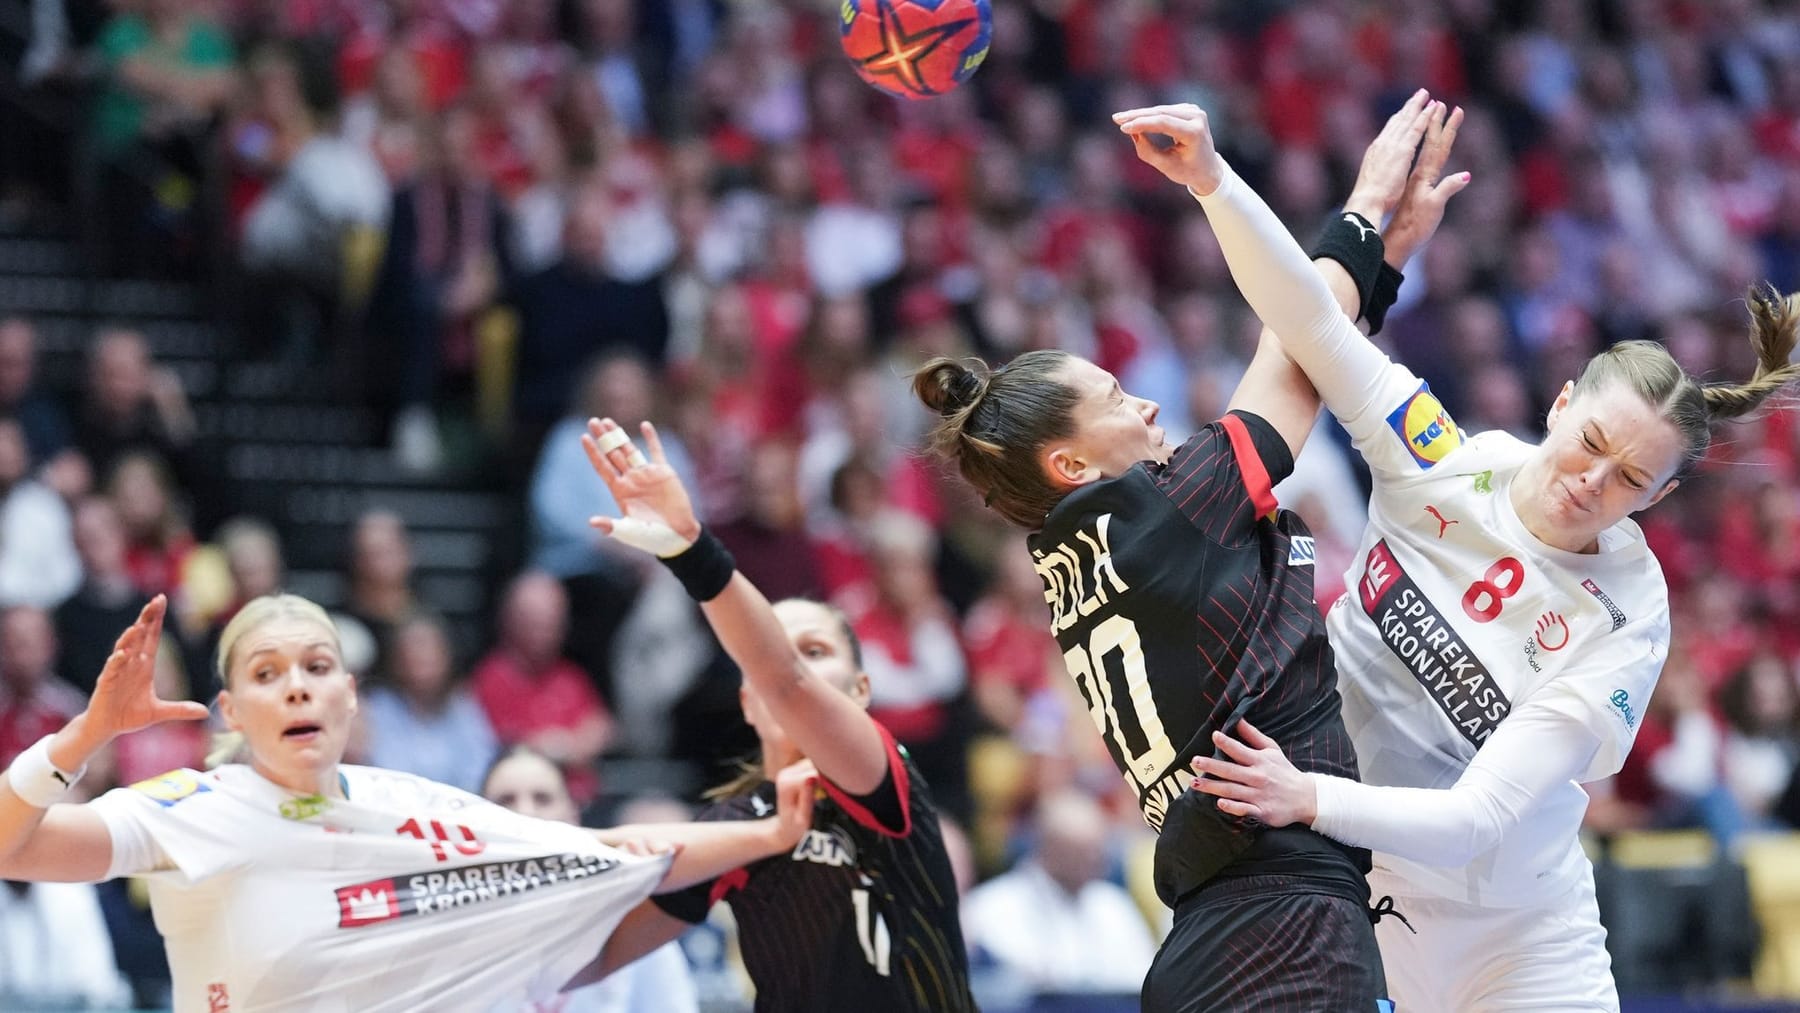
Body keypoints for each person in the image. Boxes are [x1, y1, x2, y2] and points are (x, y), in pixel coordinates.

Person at [1131, 98, 1800, 1011]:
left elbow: (1476, 816)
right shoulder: (1443, 458)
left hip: (1519, 936)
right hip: (1358, 900)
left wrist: (1306, 795)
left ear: (1660, 498)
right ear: (1560, 402)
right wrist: (1212, 179)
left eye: (1631, 478)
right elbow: (1314, 327)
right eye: (1592, 441)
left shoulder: (1628, 618)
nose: (1592, 480)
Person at [909, 94, 1459, 1012]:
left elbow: (1310, 345)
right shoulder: (1160, 512)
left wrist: (1385, 259)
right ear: (1072, 461)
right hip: (1285, 931)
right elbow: (1296, 351)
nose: (1150, 407)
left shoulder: (1075, 558)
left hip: (1219, 933)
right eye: (1119, 398)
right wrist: (1364, 210)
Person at [0, 594, 816, 1011]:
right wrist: (84, 736)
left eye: (317, 667)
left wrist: (769, 829)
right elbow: (12, 847)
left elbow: (612, 852)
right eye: (266, 674)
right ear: (231, 711)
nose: (297, 688)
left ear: (352, 696)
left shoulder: (413, 805)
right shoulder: (191, 805)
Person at [570, 416, 976, 1012]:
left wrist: (690, 547)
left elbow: (785, 683)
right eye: (763, 657)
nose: (786, 669)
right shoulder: (738, 825)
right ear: (745, 699)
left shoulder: (886, 784)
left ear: (860, 692)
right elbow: (597, 960)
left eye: (815, 652)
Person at [483, 746, 699, 1013]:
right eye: (505, 800)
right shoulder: (454, 931)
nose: (525, 812)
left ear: (574, 814)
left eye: (543, 798)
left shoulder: (633, 922)